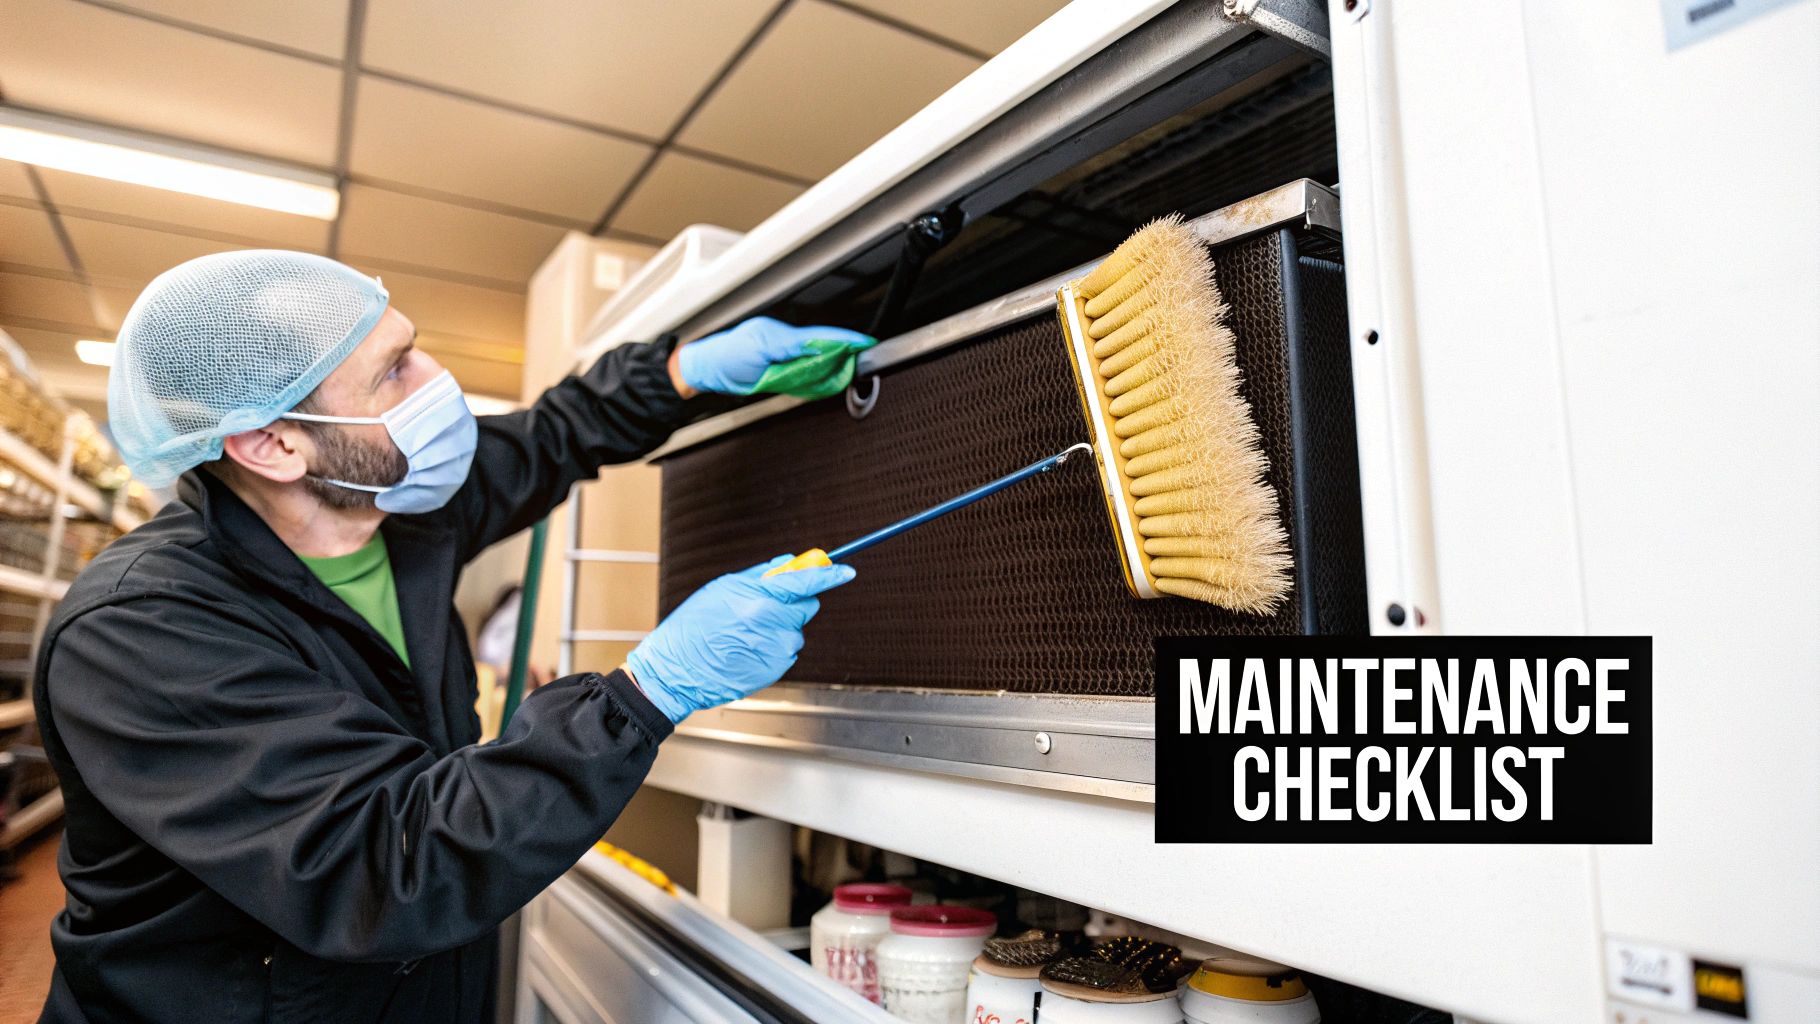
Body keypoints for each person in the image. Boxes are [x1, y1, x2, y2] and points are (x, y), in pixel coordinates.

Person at [30, 250, 873, 1023]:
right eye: (393, 372)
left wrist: (685, 373)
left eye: (413, 347)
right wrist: (647, 692)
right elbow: (384, 864)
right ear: (273, 444)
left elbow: (554, 436)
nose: (439, 381)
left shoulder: (394, 507)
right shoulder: (140, 630)